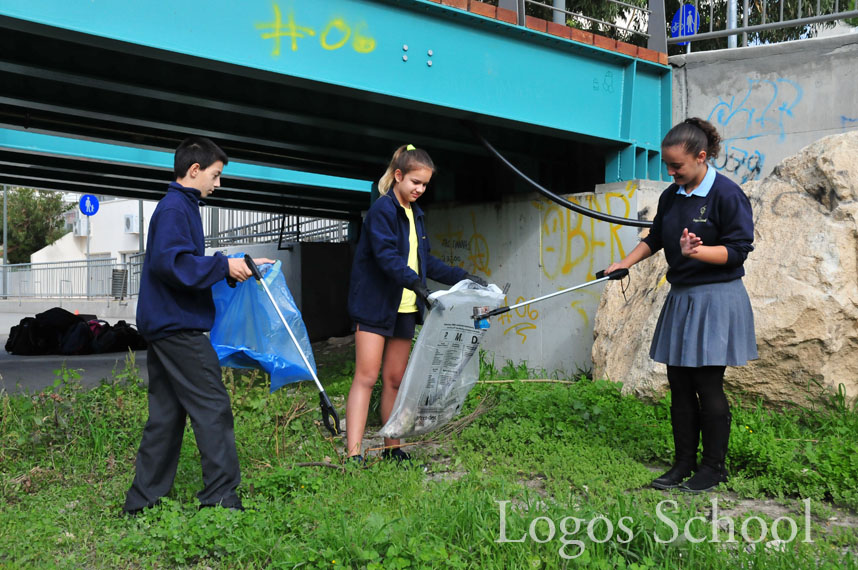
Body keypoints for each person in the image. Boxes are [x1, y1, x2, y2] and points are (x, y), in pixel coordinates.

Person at [603, 118, 757, 493]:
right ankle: (683, 462)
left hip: (717, 297)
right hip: (683, 296)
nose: (671, 173)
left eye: (677, 166)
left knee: (708, 383)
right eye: (668, 166)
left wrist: (699, 250)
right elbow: (656, 237)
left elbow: (738, 252)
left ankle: (713, 468)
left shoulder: (727, 194)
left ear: (701, 157)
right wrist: (625, 262)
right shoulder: (672, 195)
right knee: (679, 383)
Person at [123, 136, 273, 514]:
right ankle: (221, 498)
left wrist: (233, 267)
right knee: (213, 406)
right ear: (194, 170)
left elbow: (183, 263)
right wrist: (223, 265)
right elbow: (171, 263)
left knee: (167, 415)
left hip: (165, 324)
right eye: (216, 175)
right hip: (178, 327)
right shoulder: (176, 208)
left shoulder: (179, 206)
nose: (218, 183)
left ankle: (142, 501)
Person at [345, 144, 487, 463]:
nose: (420, 189)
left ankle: (391, 449)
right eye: (415, 182)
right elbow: (386, 257)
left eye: (424, 185)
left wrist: (464, 277)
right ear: (398, 176)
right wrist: (417, 285)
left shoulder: (416, 214)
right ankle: (353, 454)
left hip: (405, 308)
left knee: (395, 380)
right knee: (366, 377)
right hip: (374, 306)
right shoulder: (383, 210)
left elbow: (425, 262)